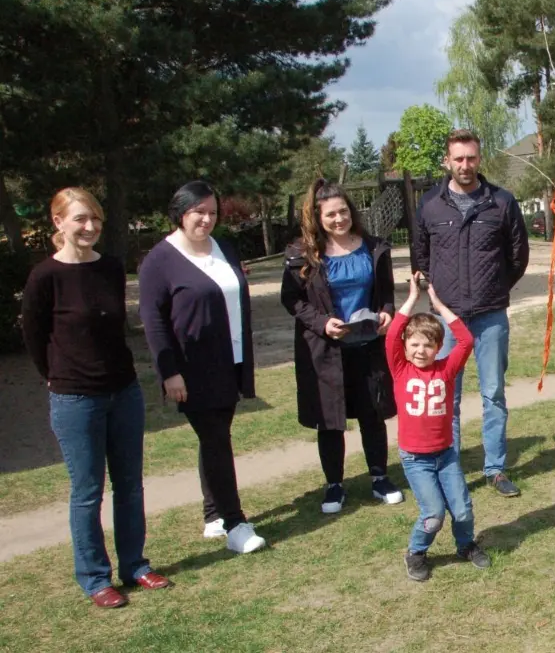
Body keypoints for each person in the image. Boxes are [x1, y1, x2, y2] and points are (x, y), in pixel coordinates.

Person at [21, 188, 170, 608]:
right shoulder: (44, 276)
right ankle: (95, 578)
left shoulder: (110, 268)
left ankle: (135, 566)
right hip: (74, 398)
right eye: (81, 219)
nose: (89, 228)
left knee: (130, 486)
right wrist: (53, 376)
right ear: (58, 222)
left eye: (96, 220)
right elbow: (33, 336)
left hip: (123, 392)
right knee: (87, 491)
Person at [138, 181, 266, 555]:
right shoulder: (159, 260)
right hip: (192, 368)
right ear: (181, 214)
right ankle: (235, 523)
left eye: (212, 212)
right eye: (199, 213)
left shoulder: (224, 247)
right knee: (216, 440)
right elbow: (154, 321)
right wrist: (169, 372)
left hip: (231, 360)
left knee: (215, 436)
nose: (207, 220)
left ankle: (213, 514)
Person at [412, 128, 530, 497]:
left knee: (494, 393)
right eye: (458, 159)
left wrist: (495, 288)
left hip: (491, 316)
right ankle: (452, 470)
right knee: (449, 396)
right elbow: (420, 256)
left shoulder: (502, 202)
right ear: (447, 161)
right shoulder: (430, 205)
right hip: (447, 321)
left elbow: (518, 255)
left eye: (471, 158)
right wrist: (437, 297)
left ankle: (495, 468)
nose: (465, 165)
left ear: (480, 159)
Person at [281, 179, 402, 514]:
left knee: (372, 415)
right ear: (318, 218)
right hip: (326, 352)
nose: (339, 219)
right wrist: (322, 323)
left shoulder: (374, 247)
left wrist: (387, 313)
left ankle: (379, 477)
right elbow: (291, 299)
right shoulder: (302, 255)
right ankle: (334, 485)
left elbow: (387, 293)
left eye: (344, 211)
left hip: (367, 347)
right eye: (331, 214)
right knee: (330, 421)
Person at [386, 274, 491, 581]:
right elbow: (393, 333)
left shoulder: (446, 370)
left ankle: (466, 545)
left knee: (462, 510)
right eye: (414, 344)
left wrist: (437, 304)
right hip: (415, 459)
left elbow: (466, 339)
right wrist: (411, 299)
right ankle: (415, 553)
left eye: (429, 345)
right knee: (434, 516)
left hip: (445, 455)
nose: (421, 350)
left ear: (439, 348)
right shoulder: (400, 370)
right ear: (405, 347)